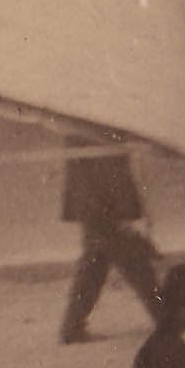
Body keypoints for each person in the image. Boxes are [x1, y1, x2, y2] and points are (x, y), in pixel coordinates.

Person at [58, 129, 160, 345]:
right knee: (134, 260)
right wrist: (122, 210)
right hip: (102, 204)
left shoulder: (87, 116)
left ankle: (72, 326)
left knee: (95, 264)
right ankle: (165, 317)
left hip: (96, 203)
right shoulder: (94, 119)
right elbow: (108, 168)